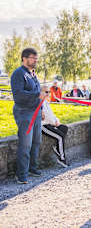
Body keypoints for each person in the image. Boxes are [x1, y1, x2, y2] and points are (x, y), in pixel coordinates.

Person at [11, 48, 47, 184]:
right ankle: (21, 174)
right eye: (33, 58)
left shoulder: (32, 74)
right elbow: (18, 95)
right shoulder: (18, 74)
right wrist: (37, 95)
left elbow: (39, 92)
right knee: (25, 144)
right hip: (24, 112)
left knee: (36, 142)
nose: (35, 61)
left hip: (36, 111)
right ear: (24, 58)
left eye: (36, 58)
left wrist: (42, 108)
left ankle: (33, 168)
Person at [40, 85, 69, 168]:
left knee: (64, 128)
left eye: (49, 92)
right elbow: (46, 117)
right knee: (60, 137)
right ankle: (62, 159)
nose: (48, 94)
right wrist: (54, 122)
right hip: (43, 126)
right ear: (40, 92)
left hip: (50, 123)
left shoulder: (45, 102)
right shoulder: (39, 102)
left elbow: (51, 114)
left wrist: (57, 120)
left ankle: (57, 148)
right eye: (46, 92)